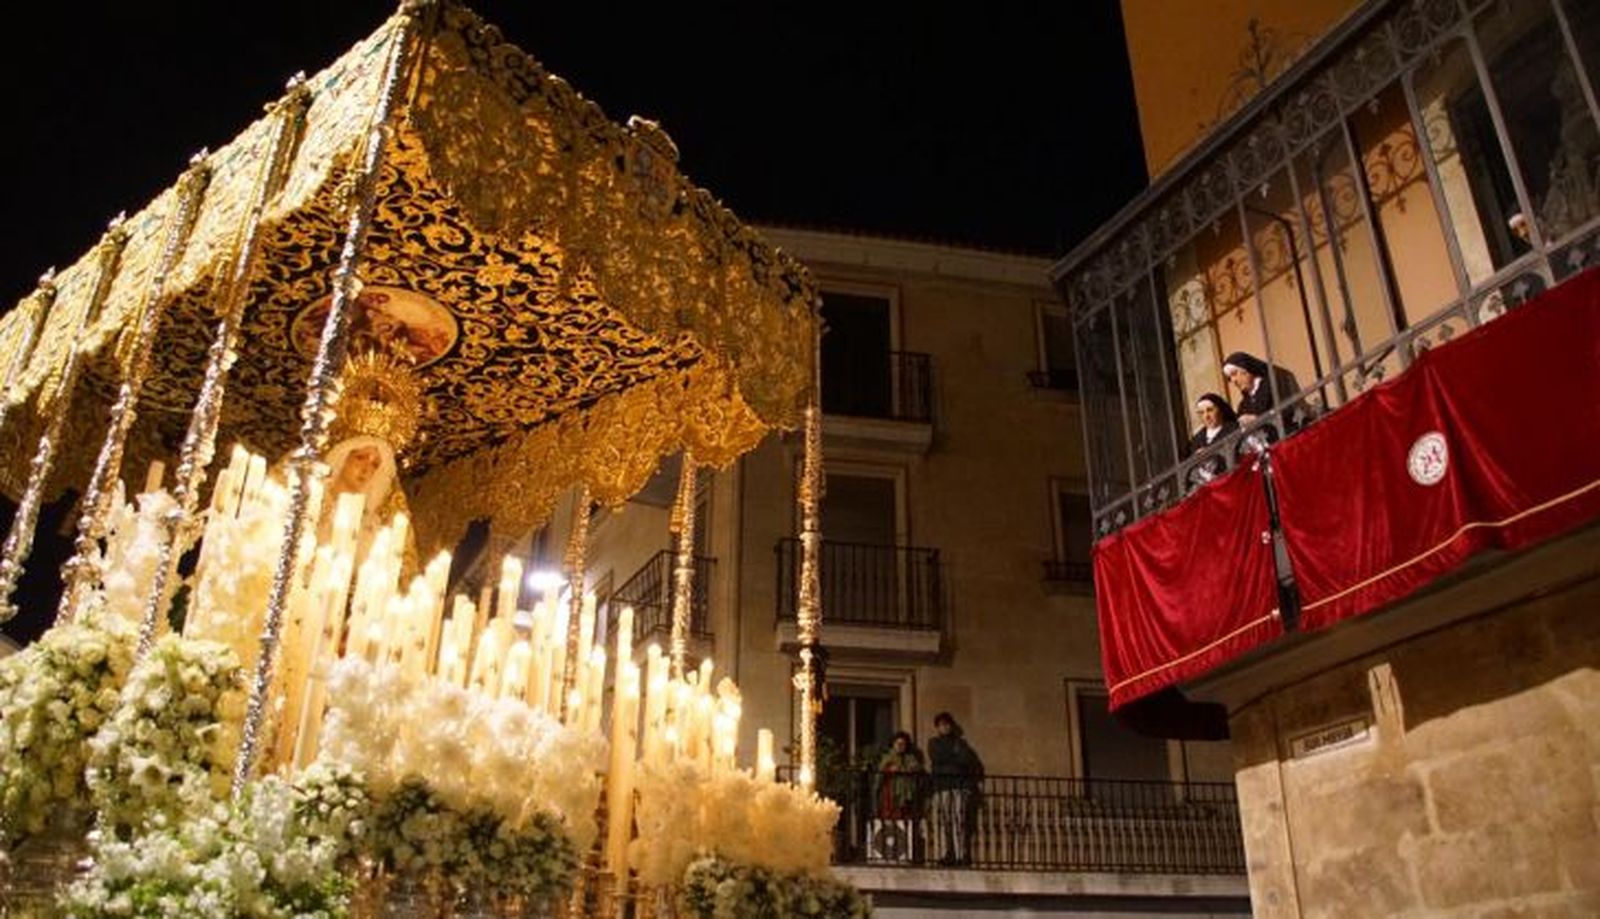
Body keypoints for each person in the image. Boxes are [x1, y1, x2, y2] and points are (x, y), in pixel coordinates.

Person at [927, 712, 983, 866]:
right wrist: (955, 759)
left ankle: (960, 854)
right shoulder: (934, 742)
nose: (944, 727)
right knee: (943, 822)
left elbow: (966, 760)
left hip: (959, 786)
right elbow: (937, 757)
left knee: (959, 821)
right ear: (937, 727)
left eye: (947, 724)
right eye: (941, 725)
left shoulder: (961, 743)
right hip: (942, 786)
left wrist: (953, 761)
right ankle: (945, 853)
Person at [1223, 350, 1304, 451]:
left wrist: (1259, 420)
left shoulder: (1275, 381)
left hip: (1292, 443)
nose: (1233, 380)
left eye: (1235, 374)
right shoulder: (1242, 407)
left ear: (1246, 368)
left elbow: (1291, 409)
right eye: (1230, 378)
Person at [1186, 393, 1239, 486]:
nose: (1206, 416)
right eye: (1201, 413)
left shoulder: (1233, 429)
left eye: (1210, 410)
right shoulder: (1197, 439)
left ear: (1220, 410)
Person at [874, 731, 925, 820]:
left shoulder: (910, 758)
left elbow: (917, 768)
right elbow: (879, 774)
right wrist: (889, 770)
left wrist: (908, 769)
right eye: (898, 744)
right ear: (893, 744)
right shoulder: (888, 757)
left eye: (903, 744)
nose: (900, 746)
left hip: (906, 793)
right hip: (891, 793)